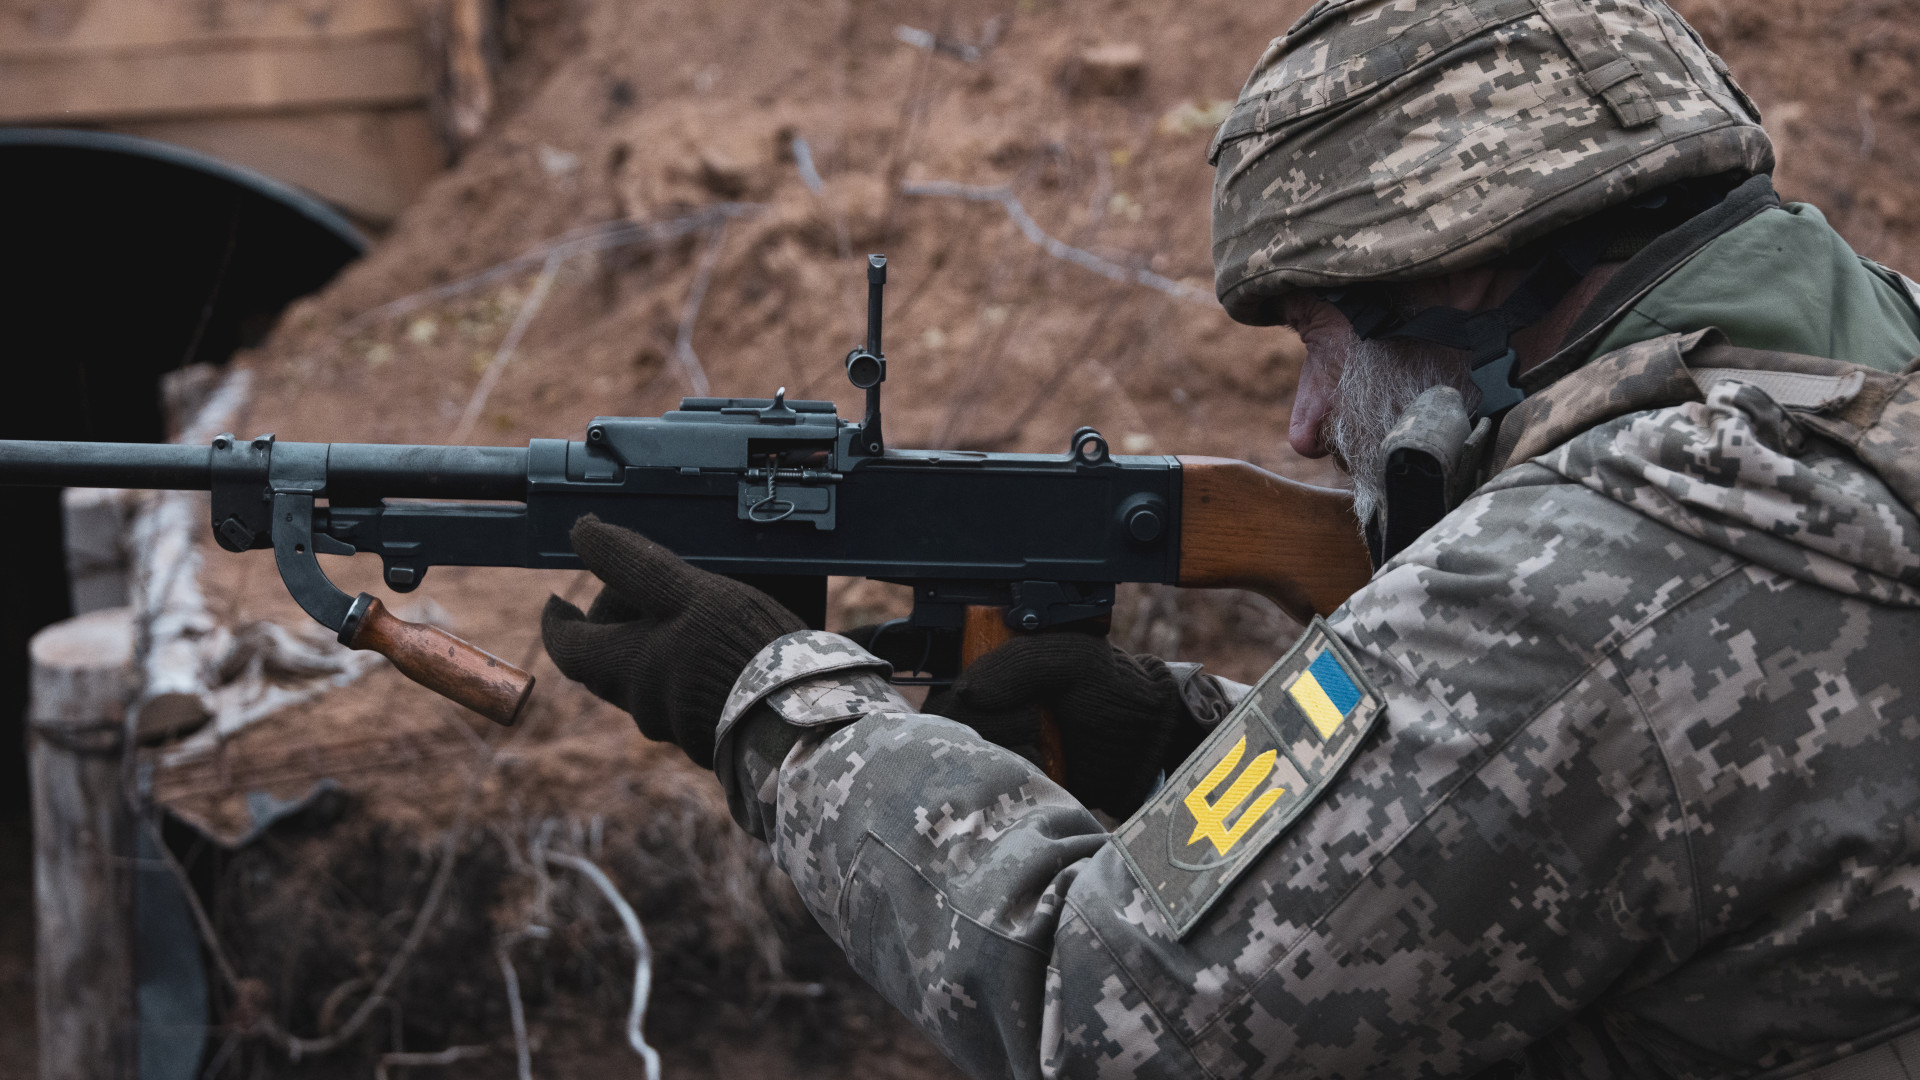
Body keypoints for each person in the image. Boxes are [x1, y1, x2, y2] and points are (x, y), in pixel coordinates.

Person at [540, 1, 1920, 1075]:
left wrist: (776, 707)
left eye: (1316, 341)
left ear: (1461, 278)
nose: (1309, 426)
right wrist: (1188, 744)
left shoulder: (1577, 581)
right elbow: (1521, 804)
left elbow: (1098, 1015)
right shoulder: (1861, 402)